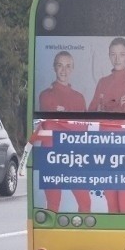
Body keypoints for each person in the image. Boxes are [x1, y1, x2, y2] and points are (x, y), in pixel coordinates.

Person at [88, 37, 125, 213]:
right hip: (105, 148)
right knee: (111, 201)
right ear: (109, 56)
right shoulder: (103, 81)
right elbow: (91, 112)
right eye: (113, 54)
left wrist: (105, 106)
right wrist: (117, 103)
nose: (117, 58)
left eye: (121, 54)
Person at [38, 51, 91, 213]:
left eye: (68, 66)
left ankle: (83, 237)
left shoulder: (79, 97)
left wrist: (62, 117)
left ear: (73, 69)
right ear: (54, 68)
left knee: (85, 203)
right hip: (51, 158)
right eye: (60, 65)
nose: (64, 70)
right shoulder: (46, 95)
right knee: (53, 205)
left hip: (73, 157)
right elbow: (51, 124)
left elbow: (84, 127)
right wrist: (73, 121)